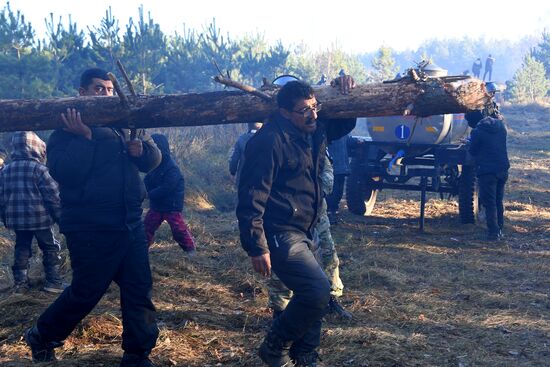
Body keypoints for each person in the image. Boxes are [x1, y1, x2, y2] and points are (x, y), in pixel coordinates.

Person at [24, 68, 161, 367]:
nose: (106, 95)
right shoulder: (63, 131)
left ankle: (138, 355)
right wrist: (85, 138)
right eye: (98, 89)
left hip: (130, 223)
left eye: (110, 89)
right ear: (82, 92)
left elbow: (153, 161)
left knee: (139, 289)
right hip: (91, 227)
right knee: (86, 292)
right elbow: (66, 174)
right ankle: (42, 335)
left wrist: (142, 151)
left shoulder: (123, 124)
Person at [237, 77, 356, 366]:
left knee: (315, 295)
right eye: (304, 110)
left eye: (315, 107)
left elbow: (344, 124)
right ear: (284, 113)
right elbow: (251, 197)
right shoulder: (268, 142)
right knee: (316, 292)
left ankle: (305, 357)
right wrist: (256, 246)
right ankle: (274, 345)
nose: (313, 115)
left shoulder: (312, 131)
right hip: (280, 232)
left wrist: (346, 92)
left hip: (308, 228)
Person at [267, 154, 352, 324]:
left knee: (329, 258)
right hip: (288, 219)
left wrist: (308, 190)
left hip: (317, 215)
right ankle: (280, 310)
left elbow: (328, 177)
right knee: (285, 263)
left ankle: (330, 300)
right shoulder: (277, 147)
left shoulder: (316, 148)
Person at [0, 131, 64, 294]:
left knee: (22, 247)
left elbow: (1, 197)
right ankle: (53, 281)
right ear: (37, 148)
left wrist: (5, 217)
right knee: (50, 247)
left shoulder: (6, 170)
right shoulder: (39, 169)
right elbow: (52, 195)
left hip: (18, 220)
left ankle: (20, 284)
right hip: (40, 219)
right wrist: (59, 216)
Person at [143, 133, 196, 255]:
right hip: (157, 205)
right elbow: (147, 179)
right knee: (147, 227)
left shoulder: (172, 168)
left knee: (178, 229)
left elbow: (167, 188)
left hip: (171, 205)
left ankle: (190, 248)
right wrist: (144, 189)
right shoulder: (153, 165)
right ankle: (142, 248)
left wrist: (149, 194)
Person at [464, 109, 509, 241]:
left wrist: (469, 143)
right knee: (498, 200)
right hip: (502, 168)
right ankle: (500, 228)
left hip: (487, 171)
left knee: (489, 203)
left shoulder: (477, 132)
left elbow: (473, 151)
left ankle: (493, 233)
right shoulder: (500, 126)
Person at [326, 134, 352, 224]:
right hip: (333, 167)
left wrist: (357, 141)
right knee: (332, 192)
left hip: (340, 168)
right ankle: (330, 214)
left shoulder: (342, 132)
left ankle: (333, 213)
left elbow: (349, 140)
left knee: (338, 192)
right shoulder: (329, 132)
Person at [228, 122, 263, 186]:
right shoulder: (267, 138)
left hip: (243, 179)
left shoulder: (241, 139)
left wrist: (232, 172)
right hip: (261, 180)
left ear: (249, 126)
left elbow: (234, 159)